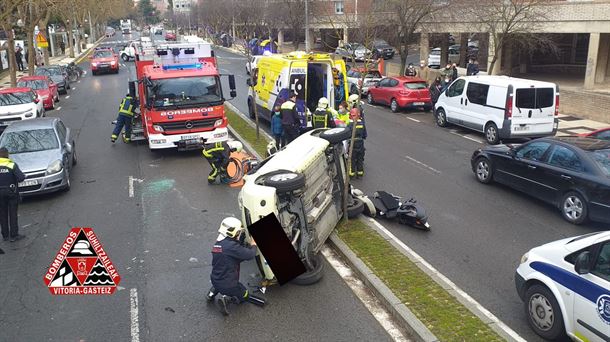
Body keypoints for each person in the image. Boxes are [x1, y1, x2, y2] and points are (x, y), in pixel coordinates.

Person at [206, 217, 266, 315]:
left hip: (215, 280)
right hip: (229, 285)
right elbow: (250, 255)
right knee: (244, 294)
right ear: (232, 232)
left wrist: (241, 240)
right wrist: (254, 244)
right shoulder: (232, 248)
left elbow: (233, 253)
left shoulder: (218, 245)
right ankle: (227, 300)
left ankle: (211, 293)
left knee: (220, 282)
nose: (239, 234)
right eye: (239, 233)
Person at [0, 148, 26, 242]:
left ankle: (5, 235)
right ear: (7, 155)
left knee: (2, 213)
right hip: (11, 192)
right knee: (12, 213)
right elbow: (20, 178)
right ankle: (14, 235)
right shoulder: (11, 164)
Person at [347, 107, 367, 178]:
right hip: (360, 143)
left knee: (352, 159)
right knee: (360, 158)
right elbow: (365, 134)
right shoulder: (362, 124)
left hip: (353, 144)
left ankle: (351, 174)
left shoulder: (350, 125)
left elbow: (347, 134)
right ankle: (360, 172)